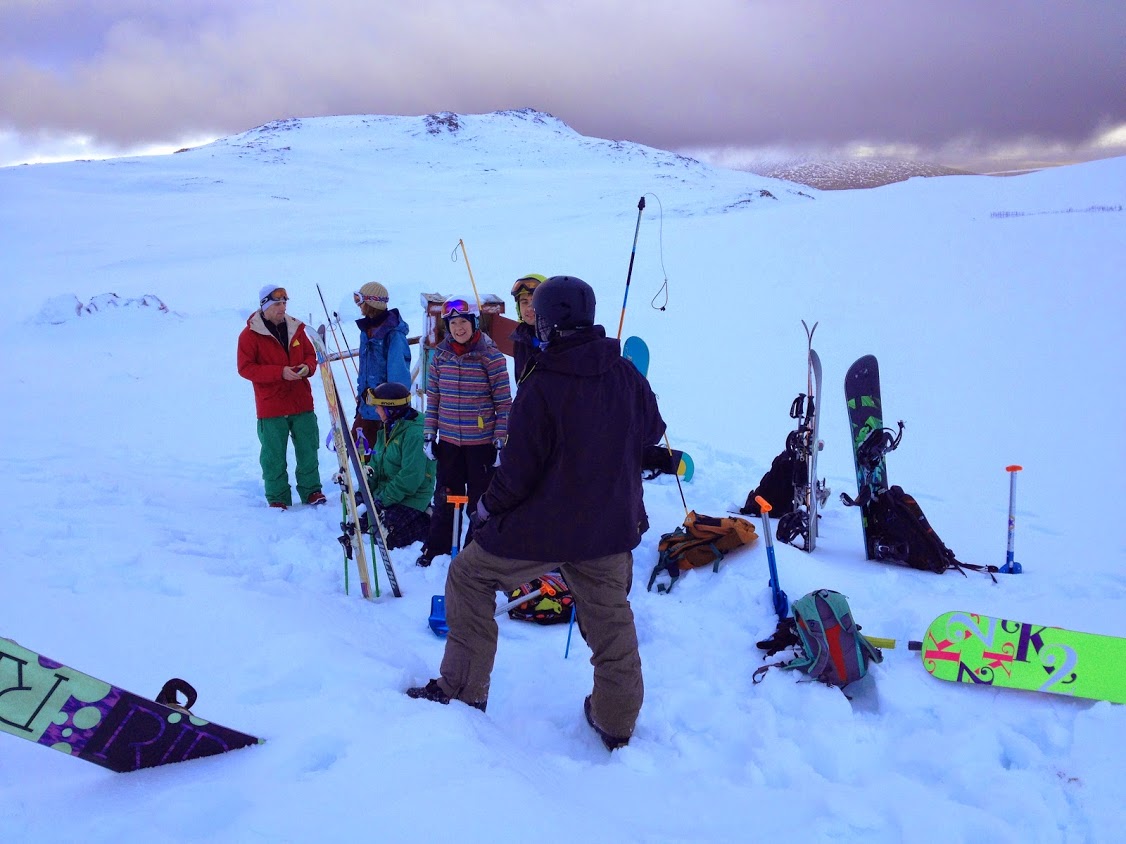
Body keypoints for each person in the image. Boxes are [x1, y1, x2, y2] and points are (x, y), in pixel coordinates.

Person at [407, 276, 666, 751]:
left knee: (468, 576)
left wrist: (487, 507)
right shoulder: (626, 375)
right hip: (610, 527)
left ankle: (462, 691)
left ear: (548, 324)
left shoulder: (542, 384)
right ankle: (616, 721)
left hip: (544, 528)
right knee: (611, 623)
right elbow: (653, 431)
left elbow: (517, 472)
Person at [416, 296, 512, 567]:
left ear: (474, 323)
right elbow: (434, 398)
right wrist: (429, 434)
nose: (458, 328)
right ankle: (437, 548)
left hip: (481, 444)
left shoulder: (490, 356)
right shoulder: (441, 356)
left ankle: (476, 553)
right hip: (449, 442)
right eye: (453, 323)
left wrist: (500, 440)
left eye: (463, 322)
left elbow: (504, 403)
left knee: (479, 502)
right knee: (445, 496)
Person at [237, 284, 326, 510]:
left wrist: (307, 367)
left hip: (301, 401)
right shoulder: (249, 335)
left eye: (284, 303)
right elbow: (245, 368)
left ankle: (312, 491)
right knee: (273, 456)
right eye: (277, 303)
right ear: (264, 306)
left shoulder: (296, 328)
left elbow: (310, 355)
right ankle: (277, 497)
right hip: (271, 406)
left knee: (308, 450)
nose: (282, 307)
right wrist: (279, 373)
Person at [361, 382, 434, 549]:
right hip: (389, 494)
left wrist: (382, 500)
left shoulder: (415, 434)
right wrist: (364, 490)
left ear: (390, 409)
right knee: (363, 525)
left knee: (386, 537)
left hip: (412, 497)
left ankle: (428, 519)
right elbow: (375, 464)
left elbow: (410, 477)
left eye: (378, 407)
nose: (376, 411)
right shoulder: (389, 427)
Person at [351, 281, 412, 457]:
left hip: (384, 413)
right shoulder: (367, 330)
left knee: (378, 458)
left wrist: (389, 410)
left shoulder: (393, 335)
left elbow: (398, 379)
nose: (358, 305)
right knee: (359, 452)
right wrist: (361, 394)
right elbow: (365, 370)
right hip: (366, 409)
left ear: (371, 302)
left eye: (360, 300)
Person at [508, 273, 547, 383]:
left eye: (535, 301)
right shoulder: (521, 338)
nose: (529, 308)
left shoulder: (557, 337)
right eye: (524, 302)